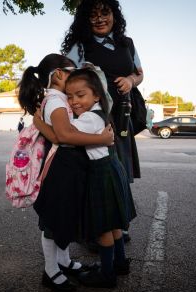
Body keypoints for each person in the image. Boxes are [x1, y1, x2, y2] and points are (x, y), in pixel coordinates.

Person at [18, 53, 114, 292]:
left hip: (69, 165)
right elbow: (63, 136)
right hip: (62, 167)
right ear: (59, 74)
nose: (77, 75)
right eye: (72, 70)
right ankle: (50, 272)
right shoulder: (57, 101)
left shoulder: (60, 98)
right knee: (53, 220)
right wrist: (101, 138)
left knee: (64, 217)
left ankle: (63, 261)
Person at [61, 0, 142, 243]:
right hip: (94, 117)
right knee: (97, 171)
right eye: (93, 15)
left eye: (105, 13)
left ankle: (120, 225)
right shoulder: (80, 46)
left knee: (119, 170)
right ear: (85, 19)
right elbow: (65, 78)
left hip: (123, 115)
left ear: (114, 15)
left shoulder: (127, 43)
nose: (99, 19)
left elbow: (140, 73)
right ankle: (98, 228)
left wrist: (130, 80)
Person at [65, 68, 136, 288]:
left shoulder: (87, 118)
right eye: (69, 96)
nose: (74, 101)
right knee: (114, 223)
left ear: (96, 95)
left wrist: (40, 121)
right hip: (112, 169)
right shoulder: (100, 112)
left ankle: (107, 275)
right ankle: (120, 263)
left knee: (104, 227)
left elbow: (63, 133)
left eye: (80, 95)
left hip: (101, 174)